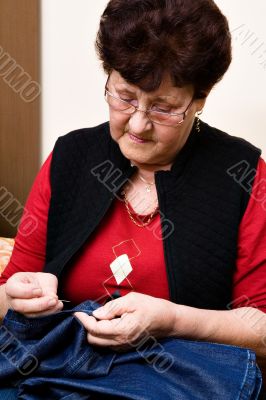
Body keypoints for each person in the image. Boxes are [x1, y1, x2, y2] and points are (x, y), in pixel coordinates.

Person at [0, 0, 265, 398]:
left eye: (163, 108)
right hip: (54, 374)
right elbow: (9, 296)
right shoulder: (71, 158)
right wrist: (18, 296)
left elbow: (262, 331)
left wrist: (172, 320)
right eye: (124, 96)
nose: (138, 124)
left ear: (200, 99)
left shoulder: (243, 175)